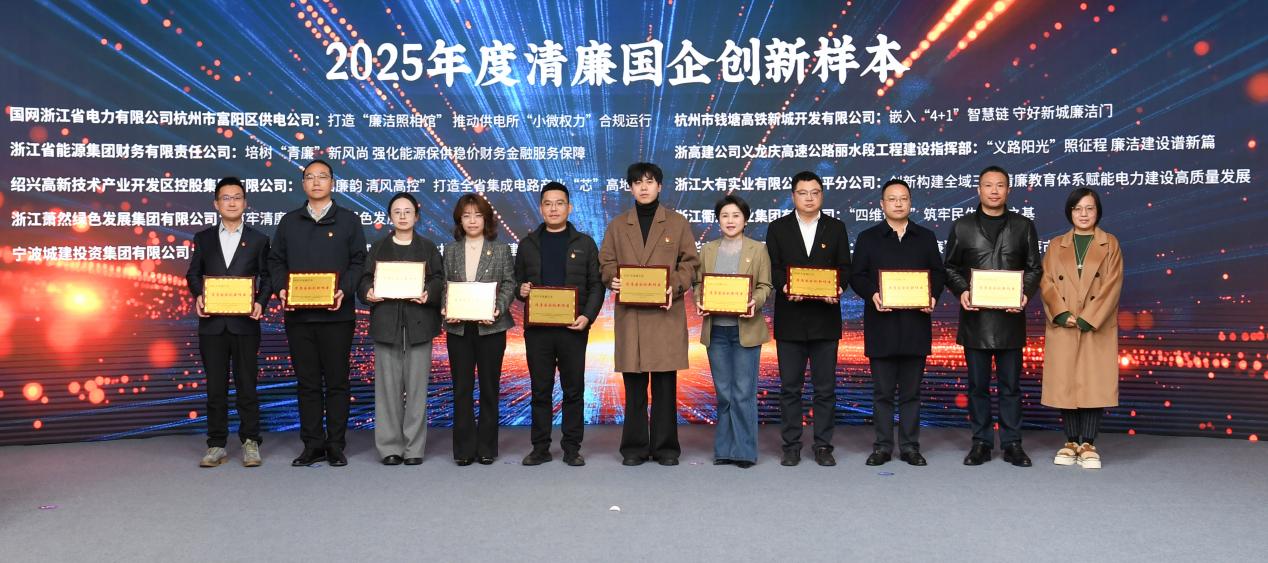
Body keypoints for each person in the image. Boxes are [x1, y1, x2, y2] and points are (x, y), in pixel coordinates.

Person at [599, 162, 700, 466]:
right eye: (637, 183)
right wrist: (612, 278)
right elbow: (605, 262)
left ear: (660, 186)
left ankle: (666, 448)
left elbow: (690, 263)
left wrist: (674, 284)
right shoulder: (618, 225)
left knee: (665, 387)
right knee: (634, 388)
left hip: (665, 314)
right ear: (630, 188)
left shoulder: (677, 223)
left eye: (649, 181)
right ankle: (634, 448)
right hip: (631, 316)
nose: (643, 187)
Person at [269, 159, 366, 467]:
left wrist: (344, 290)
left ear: (332, 183)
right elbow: (275, 261)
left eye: (322, 176)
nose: (316, 182)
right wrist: (282, 288)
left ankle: (335, 444)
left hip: (338, 316)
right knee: (307, 383)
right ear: (303, 184)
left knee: (337, 382)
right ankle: (312, 445)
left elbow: (359, 262)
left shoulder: (349, 220)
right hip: (299, 317)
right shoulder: (289, 222)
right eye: (310, 177)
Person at [943, 165, 1042, 467]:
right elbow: (949, 267)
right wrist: (962, 291)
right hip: (976, 321)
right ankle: (981, 443)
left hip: (1011, 320)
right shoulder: (962, 226)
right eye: (988, 185)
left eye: (1000, 185)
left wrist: (1024, 293)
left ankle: (1012, 444)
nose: (994, 191)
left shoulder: (1023, 226)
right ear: (979, 189)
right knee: (978, 387)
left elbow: (1035, 268)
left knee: (1011, 387)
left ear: (1008, 190)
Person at [849, 179, 945, 467]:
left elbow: (938, 273)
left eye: (903, 198)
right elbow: (857, 276)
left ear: (910, 203)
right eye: (892, 199)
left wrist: (932, 296)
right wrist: (873, 295)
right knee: (882, 393)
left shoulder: (925, 237)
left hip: (916, 326)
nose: (898, 203)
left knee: (911, 393)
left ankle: (910, 447)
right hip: (882, 326)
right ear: (882, 204)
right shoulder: (868, 238)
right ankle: (882, 447)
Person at [515, 182, 604, 467]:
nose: (553, 208)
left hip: (572, 329)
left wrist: (587, 316)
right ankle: (540, 448)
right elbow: (517, 283)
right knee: (540, 390)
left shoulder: (585, 243)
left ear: (569, 207)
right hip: (538, 331)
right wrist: (521, 290)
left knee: (573, 390)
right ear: (541, 208)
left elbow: (596, 285)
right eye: (548, 203)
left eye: (559, 203)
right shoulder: (527, 244)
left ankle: (571, 448)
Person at [765, 170, 851, 467]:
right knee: (790, 388)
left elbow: (845, 267)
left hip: (825, 319)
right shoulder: (778, 228)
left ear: (822, 195)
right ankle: (791, 446)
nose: (809, 198)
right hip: (790, 319)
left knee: (825, 389)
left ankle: (823, 445)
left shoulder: (836, 227)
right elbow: (773, 268)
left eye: (815, 192)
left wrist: (837, 288)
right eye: (803, 193)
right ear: (793, 196)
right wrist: (786, 287)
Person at [186, 177, 271, 467]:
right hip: (212, 325)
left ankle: (251, 442)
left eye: (237, 197)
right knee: (215, 388)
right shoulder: (204, 238)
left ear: (245, 203)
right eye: (226, 197)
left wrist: (260, 302)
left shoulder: (259, 239)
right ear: (216, 204)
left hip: (245, 324)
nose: (232, 202)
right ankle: (216, 444)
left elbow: (268, 277)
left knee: (247, 385)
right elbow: (193, 274)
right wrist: (199, 295)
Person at [358, 193, 444, 466]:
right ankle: (390, 448)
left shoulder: (428, 247)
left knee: (417, 390)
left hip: (420, 324)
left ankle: (414, 448)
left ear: (416, 216)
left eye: (408, 211)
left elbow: (440, 279)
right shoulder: (379, 248)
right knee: (387, 390)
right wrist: (367, 291)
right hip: (386, 324)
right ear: (390, 217)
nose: (403, 216)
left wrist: (429, 292)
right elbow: (364, 278)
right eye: (397, 211)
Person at [1039, 188, 1123, 469]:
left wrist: (1089, 317)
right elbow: (1046, 282)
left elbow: (1112, 284)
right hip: (1065, 322)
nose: (1083, 214)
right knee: (1066, 382)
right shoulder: (1056, 245)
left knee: (1092, 381)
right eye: (1078, 209)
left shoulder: (1110, 244)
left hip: (1095, 324)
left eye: (1089, 208)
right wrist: (1060, 313)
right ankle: (1070, 441)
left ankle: (1088, 443)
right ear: (1070, 212)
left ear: (1098, 212)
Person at [694, 195, 772, 468]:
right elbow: (698, 284)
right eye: (725, 215)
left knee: (743, 393)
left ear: (745, 220)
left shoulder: (758, 249)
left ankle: (744, 451)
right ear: (718, 220)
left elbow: (765, 286)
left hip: (745, 331)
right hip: (716, 331)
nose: (730, 220)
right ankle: (724, 450)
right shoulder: (707, 250)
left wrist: (755, 302)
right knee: (724, 393)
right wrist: (700, 300)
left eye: (736, 215)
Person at [441, 193, 515, 466]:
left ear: (486, 219)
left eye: (478, 215)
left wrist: (498, 307)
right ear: (459, 220)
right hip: (459, 328)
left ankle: (486, 447)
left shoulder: (501, 249)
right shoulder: (451, 250)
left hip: (491, 328)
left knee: (489, 388)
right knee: (461, 388)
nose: (472, 221)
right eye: (466, 216)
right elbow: (445, 285)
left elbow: (509, 283)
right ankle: (463, 449)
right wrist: (445, 306)